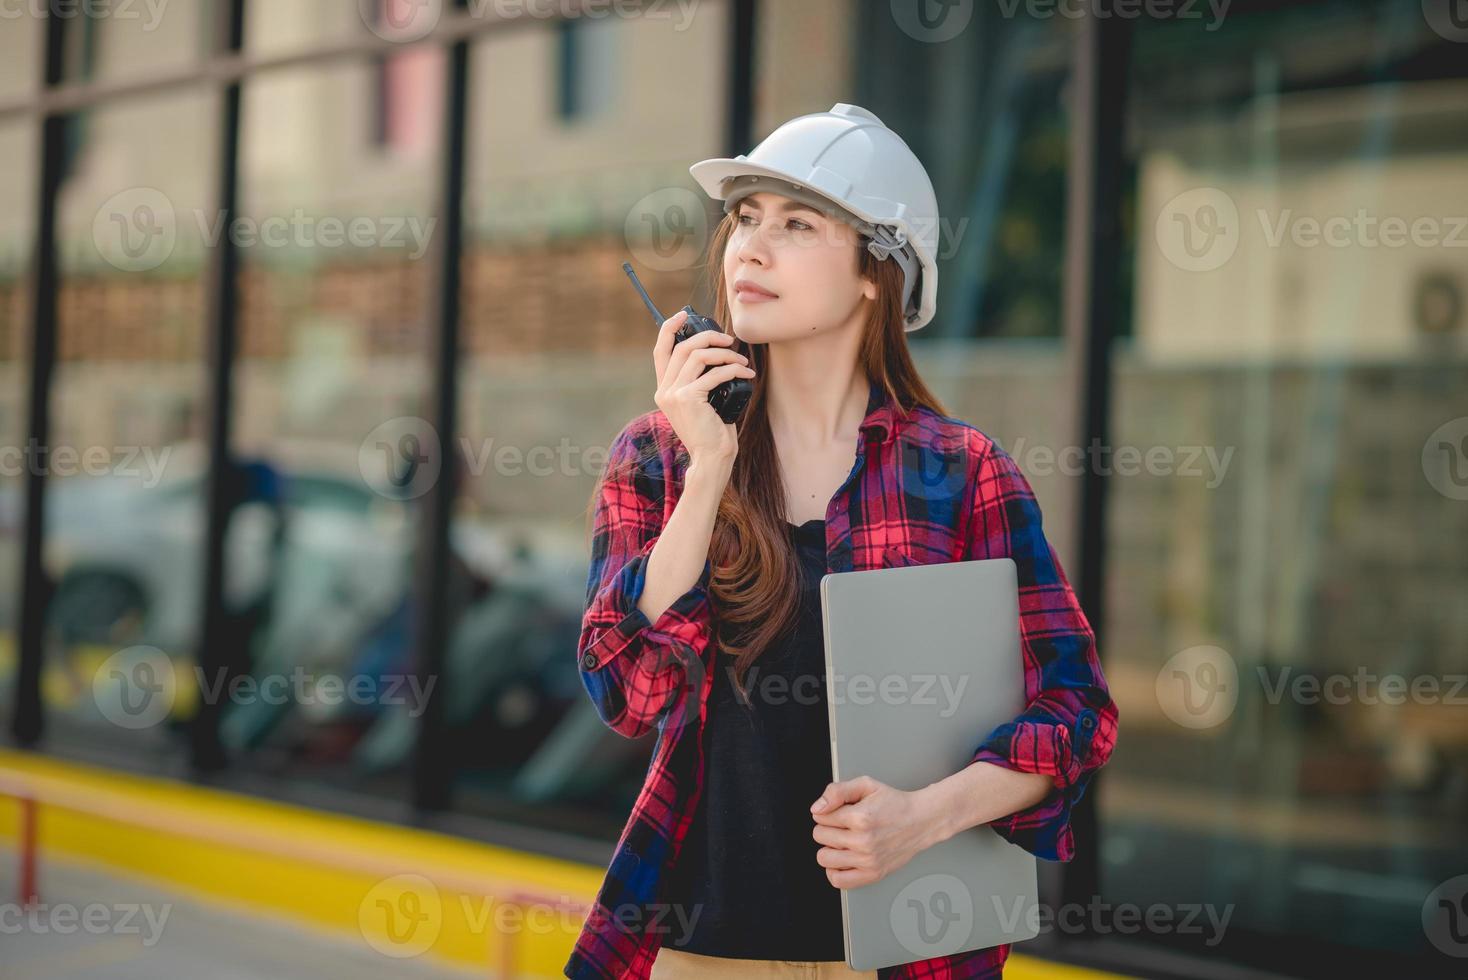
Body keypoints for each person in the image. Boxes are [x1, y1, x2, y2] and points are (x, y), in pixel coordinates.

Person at [565, 103, 1118, 980]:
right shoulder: (658, 456)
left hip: (906, 957)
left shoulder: (962, 472)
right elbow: (625, 691)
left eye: (797, 224)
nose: (750, 246)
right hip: (703, 955)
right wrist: (709, 467)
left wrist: (927, 816)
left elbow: (1077, 714)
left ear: (876, 270)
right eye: (745, 219)